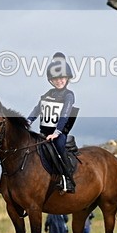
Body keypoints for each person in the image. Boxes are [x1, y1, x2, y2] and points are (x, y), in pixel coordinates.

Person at [27, 52, 78, 193]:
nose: (59, 81)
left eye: (61, 78)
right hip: (44, 133)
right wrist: (27, 121)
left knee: (59, 148)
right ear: (51, 80)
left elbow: (65, 115)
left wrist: (57, 132)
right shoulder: (48, 93)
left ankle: (68, 179)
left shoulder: (69, 95)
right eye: (55, 78)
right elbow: (38, 109)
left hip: (58, 133)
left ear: (67, 78)